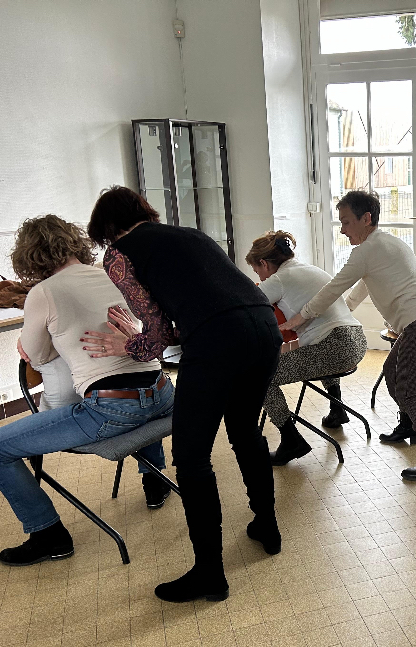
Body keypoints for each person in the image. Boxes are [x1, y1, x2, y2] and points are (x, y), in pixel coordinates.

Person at [82, 186, 282, 604]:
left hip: (215, 340)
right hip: (263, 327)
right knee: (245, 431)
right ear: (144, 211)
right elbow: (199, 310)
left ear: (106, 230)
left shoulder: (119, 255)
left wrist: (128, 346)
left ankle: (210, 574)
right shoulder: (191, 235)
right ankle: (267, 525)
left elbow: (155, 335)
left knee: (191, 458)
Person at [0, 214, 175, 566]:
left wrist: (41, 343)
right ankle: (155, 481)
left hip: (112, 412)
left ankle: (48, 535)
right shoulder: (113, 276)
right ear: (76, 243)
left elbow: (36, 355)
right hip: (164, 396)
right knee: (135, 382)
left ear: (29, 257)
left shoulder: (43, 292)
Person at [279, 190, 416, 481]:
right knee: (391, 372)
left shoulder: (368, 251)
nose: (343, 229)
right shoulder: (382, 245)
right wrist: (341, 315)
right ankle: (410, 426)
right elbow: (357, 291)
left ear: (366, 218)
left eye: (346, 222)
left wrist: (300, 317)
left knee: (409, 391)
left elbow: (334, 287)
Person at [246, 230, 367, 465]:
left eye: (257, 270)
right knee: (316, 351)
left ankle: (290, 439)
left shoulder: (279, 279)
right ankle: (336, 409)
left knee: (258, 376)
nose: (260, 277)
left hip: (335, 346)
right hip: (355, 340)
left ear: (263, 263)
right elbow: (316, 330)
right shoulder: (311, 269)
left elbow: (246, 304)